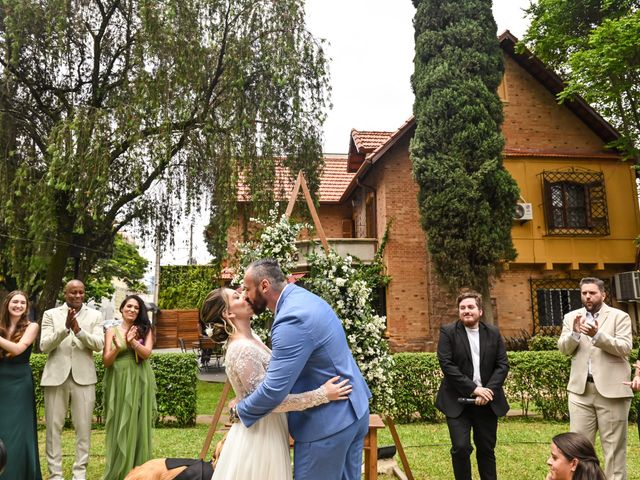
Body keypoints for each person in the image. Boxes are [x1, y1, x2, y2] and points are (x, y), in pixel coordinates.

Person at [198, 287, 353, 479]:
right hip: (259, 436)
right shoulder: (241, 349)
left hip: (271, 427)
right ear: (227, 313)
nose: (245, 296)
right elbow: (270, 402)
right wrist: (322, 394)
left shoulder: (251, 337)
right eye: (236, 297)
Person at [237, 259, 371, 480]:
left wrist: (240, 410)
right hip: (354, 411)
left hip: (327, 426)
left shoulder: (291, 319)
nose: (245, 296)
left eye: (248, 289)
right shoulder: (304, 299)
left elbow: (273, 390)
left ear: (264, 286)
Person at [558, 277, 632, 480]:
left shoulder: (620, 316)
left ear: (603, 294)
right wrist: (573, 333)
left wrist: (598, 335)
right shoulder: (571, 317)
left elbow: (625, 348)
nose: (588, 296)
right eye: (584, 293)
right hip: (580, 392)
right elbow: (564, 349)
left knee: (614, 451)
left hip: (612, 392)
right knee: (578, 450)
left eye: (592, 293)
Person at [435, 291, 509, 480]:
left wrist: (487, 392)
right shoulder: (448, 332)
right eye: (462, 308)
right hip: (457, 401)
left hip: (487, 402)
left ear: (480, 311)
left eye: (470, 307)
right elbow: (447, 365)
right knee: (460, 448)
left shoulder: (493, 332)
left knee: (486, 449)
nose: (466, 311)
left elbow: (502, 365)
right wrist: (474, 389)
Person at [40, 279, 105, 480]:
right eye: (73, 292)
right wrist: (65, 329)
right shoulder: (50, 314)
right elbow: (44, 346)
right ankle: (55, 475)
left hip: (84, 379)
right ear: (65, 293)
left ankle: (80, 473)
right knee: (53, 429)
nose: (77, 296)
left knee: (83, 428)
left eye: (81, 292)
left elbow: (99, 344)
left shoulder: (95, 315)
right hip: (55, 378)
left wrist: (78, 330)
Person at [103, 294, 157, 480]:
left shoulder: (145, 329)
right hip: (118, 378)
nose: (132, 310)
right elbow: (106, 361)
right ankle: (119, 468)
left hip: (139, 377)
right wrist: (118, 347)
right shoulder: (111, 331)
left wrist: (132, 342)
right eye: (129, 306)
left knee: (137, 420)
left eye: (136, 307)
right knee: (121, 421)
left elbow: (147, 353)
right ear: (122, 308)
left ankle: (138, 469)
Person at [0, 290, 42, 480]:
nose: (18, 305)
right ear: (7, 303)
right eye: (15, 302)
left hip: (20, 382)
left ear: (26, 307)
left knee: (18, 430)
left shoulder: (32, 326)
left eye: (22, 303)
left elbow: (17, 349)